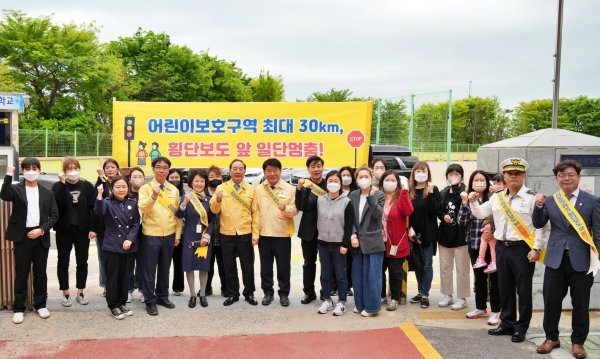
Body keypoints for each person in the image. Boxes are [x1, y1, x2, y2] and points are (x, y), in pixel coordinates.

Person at [470, 157, 548, 343]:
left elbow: (541, 227)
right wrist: (473, 201)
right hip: (501, 248)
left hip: (522, 248)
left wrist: (537, 248)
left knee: (523, 290)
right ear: (504, 176)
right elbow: (480, 213)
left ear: (524, 175)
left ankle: (521, 327)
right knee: (504, 288)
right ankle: (506, 323)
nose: (513, 176)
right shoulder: (497, 197)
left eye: (517, 173)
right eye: (509, 173)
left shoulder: (532, 198)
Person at [532, 160, 600, 358]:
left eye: (570, 174)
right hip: (555, 260)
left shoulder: (592, 200)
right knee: (551, 301)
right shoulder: (552, 200)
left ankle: (578, 342)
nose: (566, 178)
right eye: (561, 175)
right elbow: (538, 223)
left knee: (580, 303)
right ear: (556, 179)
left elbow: (598, 231)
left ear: (578, 176)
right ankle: (551, 338)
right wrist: (538, 205)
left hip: (581, 261)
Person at [2, 159, 59, 324]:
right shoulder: (16, 189)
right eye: (27, 168)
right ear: (22, 171)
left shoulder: (47, 192)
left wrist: (41, 230)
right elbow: (4, 195)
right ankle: (18, 308)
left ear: (40, 170)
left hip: (40, 235)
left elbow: (54, 215)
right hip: (23, 236)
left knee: (40, 273)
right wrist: (8, 174)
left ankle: (40, 305)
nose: (31, 171)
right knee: (22, 273)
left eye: (34, 168)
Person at [210, 159, 260, 306]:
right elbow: (214, 210)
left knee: (247, 265)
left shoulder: (251, 190)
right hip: (227, 232)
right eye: (234, 168)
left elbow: (256, 214)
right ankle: (233, 294)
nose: (237, 171)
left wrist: (255, 235)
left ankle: (249, 293)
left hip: (245, 232)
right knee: (229, 265)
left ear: (244, 171)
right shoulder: (221, 188)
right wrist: (218, 200)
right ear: (230, 171)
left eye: (240, 169)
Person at [138, 156, 182, 316]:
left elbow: (178, 215)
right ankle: (150, 300)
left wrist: (177, 234)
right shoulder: (145, 189)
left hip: (169, 235)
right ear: (153, 169)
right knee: (149, 270)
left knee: (165, 268)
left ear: (168, 170)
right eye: (158, 167)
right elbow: (144, 209)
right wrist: (154, 197)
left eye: (165, 167)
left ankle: (163, 296)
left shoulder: (174, 190)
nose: (162, 170)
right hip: (151, 234)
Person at [458, 170, 501, 325]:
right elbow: (461, 222)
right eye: (476, 180)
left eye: (482, 179)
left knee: (495, 279)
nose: (479, 183)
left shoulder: (494, 197)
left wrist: (493, 232)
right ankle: (480, 307)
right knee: (479, 278)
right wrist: (465, 203)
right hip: (475, 244)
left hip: (493, 245)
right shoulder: (469, 198)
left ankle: (496, 311)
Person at [52, 157, 96, 307]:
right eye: (69, 169)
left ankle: (80, 292)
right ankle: (65, 293)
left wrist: (92, 228)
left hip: (83, 230)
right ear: (64, 171)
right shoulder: (57, 186)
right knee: (63, 262)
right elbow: (59, 204)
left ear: (79, 169)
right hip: (64, 230)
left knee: (82, 262)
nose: (72, 171)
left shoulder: (87, 186)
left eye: (75, 168)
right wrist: (63, 184)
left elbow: (93, 209)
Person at [94, 176, 139, 320]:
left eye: (124, 187)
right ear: (112, 189)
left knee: (124, 277)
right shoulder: (107, 203)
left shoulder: (132, 203)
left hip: (128, 247)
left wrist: (130, 239)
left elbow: (136, 224)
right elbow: (99, 212)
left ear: (128, 188)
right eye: (118, 187)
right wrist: (99, 196)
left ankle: (122, 303)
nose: (121, 189)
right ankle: (113, 306)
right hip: (112, 246)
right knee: (112, 278)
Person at [256, 158, 298, 307]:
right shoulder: (259, 189)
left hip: (282, 234)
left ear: (280, 171)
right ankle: (268, 293)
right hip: (264, 234)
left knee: (283, 266)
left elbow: (294, 210)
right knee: (265, 267)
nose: (272, 173)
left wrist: (285, 209)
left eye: (275, 170)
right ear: (264, 172)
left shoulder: (290, 189)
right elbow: (255, 212)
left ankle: (284, 294)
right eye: (269, 170)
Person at [316, 171, 354, 316]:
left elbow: (349, 225)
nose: (333, 183)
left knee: (340, 275)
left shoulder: (346, 201)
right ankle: (327, 300)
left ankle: (342, 302)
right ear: (326, 183)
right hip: (323, 243)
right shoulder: (321, 200)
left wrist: (345, 244)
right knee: (325, 274)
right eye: (330, 180)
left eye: (336, 181)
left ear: (340, 183)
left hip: (339, 244)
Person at [176, 169, 215, 308]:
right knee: (189, 266)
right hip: (189, 237)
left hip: (204, 237)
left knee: (203, 266)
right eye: (196, 181)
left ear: (205, 183)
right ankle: (192, 295)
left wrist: (208, 235)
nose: (199, 183)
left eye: (202, 181)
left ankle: (202, 294)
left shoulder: (209, 200)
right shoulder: (186, 197)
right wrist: (184, 203)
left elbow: (212, 220)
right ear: (191, 183)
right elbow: (179, 215)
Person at [379, 170, 414, 311]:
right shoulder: (377, 196)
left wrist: (404, 192)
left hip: (396, 242)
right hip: (379, 241)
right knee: (379, 270)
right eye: (387, 180)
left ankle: (394, 298)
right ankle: (381, 296)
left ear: (398, 183)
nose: (389, 183)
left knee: (395, 272)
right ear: (382, 182)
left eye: (393, 180)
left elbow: (408, 212)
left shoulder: (401, 197)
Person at [437, 163, 470, 311]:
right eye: (451, 174)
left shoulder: (465, 192)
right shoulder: (443, 192)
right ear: (447, 176)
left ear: (462, 176)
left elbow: (468, 210)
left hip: (461, 236)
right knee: (445, 267)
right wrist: (443, 216)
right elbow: (438, 210)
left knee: (462, 269)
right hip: (445, 235)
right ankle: (447, 295)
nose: (453, 176)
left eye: (457, 174)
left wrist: (459, 190)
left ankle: (462, 297)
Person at [408, 161, 440, 309]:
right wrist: (409, 229)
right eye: (418, 171)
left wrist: (432, 193)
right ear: (413, 174)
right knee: (418, 265)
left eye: (424, 171)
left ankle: (425, 294)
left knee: (427, 264)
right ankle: (421, 292)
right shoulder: (409, 191)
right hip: (413, 234)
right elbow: (406, 213)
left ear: (428, 173)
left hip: (429, 233)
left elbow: (436, 211)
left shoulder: (432, 189)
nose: (421, 174)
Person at [296, 155, 327, 304]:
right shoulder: (304, 185)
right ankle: (309, 292)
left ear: (322, 168)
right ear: (308, 169)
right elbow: (301, 206)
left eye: (319, 166)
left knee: (326, 263)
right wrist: (302, 189)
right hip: (308, 232)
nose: (316, 169)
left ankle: (325, 291)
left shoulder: (330, 184)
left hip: (327, 232)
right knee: (309, 263)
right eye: (313, 167)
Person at [94, 158, 121, 297]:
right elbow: (98, 201)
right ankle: (106, 285)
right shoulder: (99, 183)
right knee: (104, 258)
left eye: (112, 167)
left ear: (117, 169)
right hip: (103, 228)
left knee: (119, 259)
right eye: (107, 167)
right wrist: (101, 178)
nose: (110, 169)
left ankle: (119, 285)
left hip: (121, 229)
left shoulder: (122, 183)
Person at [205, 165, 227, 297]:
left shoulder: (227, 191)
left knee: (224, 264)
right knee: (207, 263)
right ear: (207, 179)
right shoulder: (203, 193)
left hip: (224, 233)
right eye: (212, 176)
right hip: (207, 234)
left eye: (218, 176)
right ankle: (206, 287)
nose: (215, 178)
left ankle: (226, 288)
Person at [127, 167, 145, 302]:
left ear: (144, 179)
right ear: (129, 179)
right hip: (128, 235)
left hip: (146, 233)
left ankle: (144, 290)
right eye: (134, 176)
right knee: (128, 264)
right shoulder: (125, 194)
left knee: (144, 264)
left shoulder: (147, 194)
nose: (137, 179)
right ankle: (128, 290)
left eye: (140, 176)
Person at [339, 166, 357, 296]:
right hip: (337, 230)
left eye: (348, 175)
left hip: (352, 231)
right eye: (343, 175)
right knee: (338, 260)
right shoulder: (335, 191)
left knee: (350, 261)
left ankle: (348, 286)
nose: (345, 178)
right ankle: (336, 285)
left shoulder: (356, 192)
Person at [168, 168, 185, 296]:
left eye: (177, 177)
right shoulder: (164, 192)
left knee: (179, 261)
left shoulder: (185, 194)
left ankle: (178, 287)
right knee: (165, 262)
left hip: (182, 232)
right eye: (172, 177)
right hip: (167, 230)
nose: (174, 180)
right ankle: (161, 287)